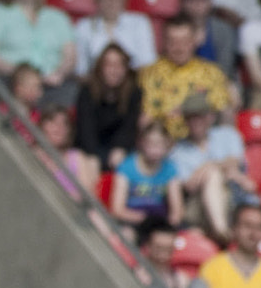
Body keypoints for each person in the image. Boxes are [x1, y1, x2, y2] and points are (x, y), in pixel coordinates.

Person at [170, 92, 257, 238]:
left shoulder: (228, 135)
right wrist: (216, 169)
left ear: (210, 116)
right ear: (185, 120)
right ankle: (222, 233)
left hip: (234, 197)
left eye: (200, 116)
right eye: (191, 117)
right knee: (213, 176)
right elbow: (190, 185)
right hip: (199, 207)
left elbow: (234, 163)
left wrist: (209, 166)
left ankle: (225, 230)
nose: (196, 121)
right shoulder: (177, 151)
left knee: (216, 176)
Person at [141, 17, 234, 136]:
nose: (179, 48)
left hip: (201, 142)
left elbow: (223, 112)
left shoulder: (211, 73)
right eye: (173, 42)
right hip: (163, 144)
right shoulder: (149, 74)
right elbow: (145, 119)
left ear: (194, 41)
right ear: (164, 42)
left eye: (184, 41)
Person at [76, 43, 146, 177]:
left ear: (126, 69)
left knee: (128, 162)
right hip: (90, 150)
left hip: (119, 150)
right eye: (109, 65)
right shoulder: (87, 92)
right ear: (100, 68)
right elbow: (86, 130)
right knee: (91, 163)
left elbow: (129, 127)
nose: (114, 70)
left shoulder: (134, 92)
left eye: (119, 65)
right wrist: (96, 156)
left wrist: (120, 147)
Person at [75, 0, 158, 75]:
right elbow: (81, 69)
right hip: (95, 84)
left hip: (134, 83)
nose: (110, 2)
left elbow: (148, 63)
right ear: (96, 0)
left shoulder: (139, 23)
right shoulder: (84, 26)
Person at [110, 120, 184, 227]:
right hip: (132, 221)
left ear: (167, 145)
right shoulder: (126, 167)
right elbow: (117, 209)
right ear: (141, 143)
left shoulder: (170, 169)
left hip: (159, 220)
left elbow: (177, 211)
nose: (155, 150)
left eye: (159, 145)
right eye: (151, 144)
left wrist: (167, 223)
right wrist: (145, 219)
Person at [179, 0, 241, 77]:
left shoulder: (224, 30)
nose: (196, 2)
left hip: (217, 85)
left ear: (210, 0)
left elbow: (225, 70)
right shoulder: (173, 30)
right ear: (182, 1)